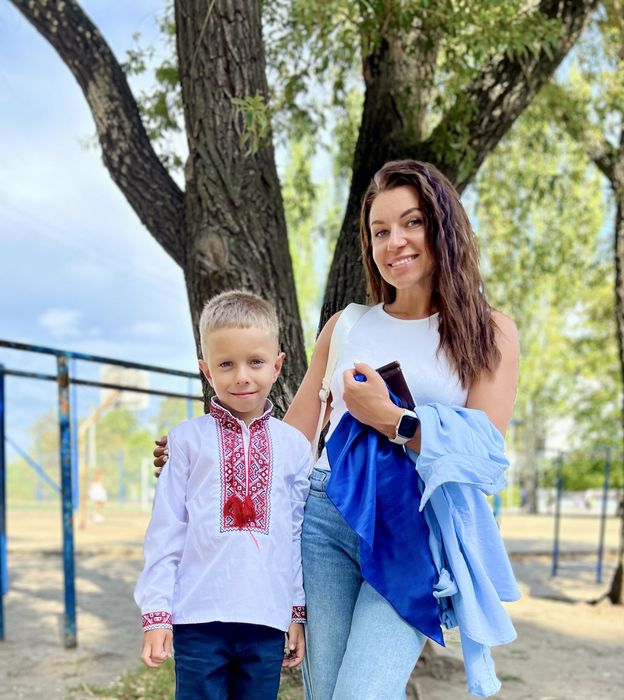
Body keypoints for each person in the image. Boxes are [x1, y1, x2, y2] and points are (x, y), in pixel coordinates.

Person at [155, 160, 520, 698]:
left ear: (443, 226)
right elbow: (289, 441)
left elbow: (484, 453)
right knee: (324, 692)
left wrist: (391, 419)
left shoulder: (490, 331)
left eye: (412, 222)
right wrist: (205, 454)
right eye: (380, 231)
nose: (395, 242)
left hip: (412, 529)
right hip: (325, 517)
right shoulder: (347, 325)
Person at [137, 290, 311, 700]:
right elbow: (166, 532)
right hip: (198, 617)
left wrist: (295, 611)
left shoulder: (294, 447)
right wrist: (156, 613)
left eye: (255, 362)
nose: (242, 376)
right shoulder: (186, 441)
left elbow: (296, 537)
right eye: (226, 364)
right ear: (206, 370)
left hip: (267, 617)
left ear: (277, 366)